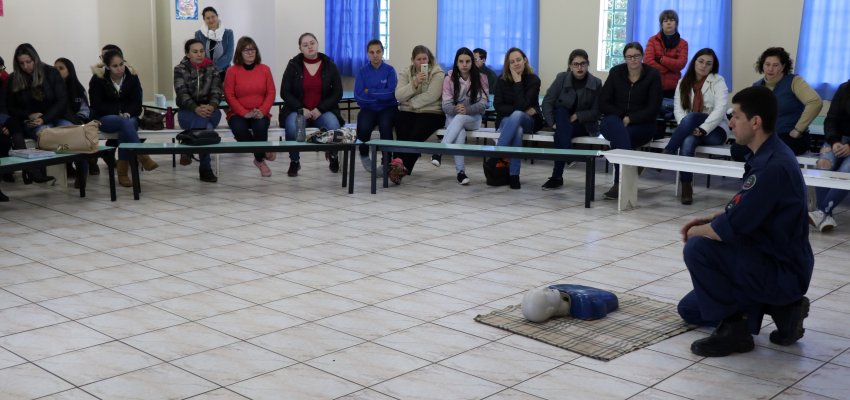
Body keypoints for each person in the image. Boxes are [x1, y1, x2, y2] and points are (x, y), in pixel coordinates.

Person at [677, 86, 813, 357]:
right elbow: (746, 211)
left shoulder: (772, 166)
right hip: (771, 260)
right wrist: (712, 218)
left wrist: (696, 231)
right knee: (690, 310)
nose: (730, 123)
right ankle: (784, 310)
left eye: (736, 117)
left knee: (698, 248)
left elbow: (729, 229)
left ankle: (735, 333)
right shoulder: (768, 154)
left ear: (755, 122)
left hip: (780, 270)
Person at [663, 48, 730, 204]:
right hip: (690, 129)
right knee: (687, 141)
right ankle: (687, 186)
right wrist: (686, 127)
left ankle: (669, 150)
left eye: (708, 63)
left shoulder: (718, 81)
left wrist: (703, 128)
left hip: (715, 130)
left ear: (713, 66)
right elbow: (678, 109)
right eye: (700, 61)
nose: (703, 66)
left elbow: (721, 109)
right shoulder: (683, 82)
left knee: (692, 116)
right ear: (694, 62)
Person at [732, 47, 822, 159]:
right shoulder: (757, 86)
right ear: (762, 65)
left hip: (790, 137)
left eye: (775, 65)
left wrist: (798, 130)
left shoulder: (794, 81)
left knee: (767, 151)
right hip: (764, 137)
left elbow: (815, 102)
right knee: (737, 150)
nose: (770, 69)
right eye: (767, 64)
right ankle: (753, 175)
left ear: (783, 67)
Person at [598, 42, 662, 199]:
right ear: (625, 58)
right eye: (629, 57)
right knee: (618, 129)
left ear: (642, 57)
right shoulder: (615, 72)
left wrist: (631, 118)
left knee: (620, 138)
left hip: (643, 125)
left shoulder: (653, 75)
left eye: (636, 56)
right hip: (614, 121)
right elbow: (603, 102)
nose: (633, 60)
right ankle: (626, 177)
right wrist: (622, 116)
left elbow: (653, 107)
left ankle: (619, 183)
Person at [280, 32, 344, 177]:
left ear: (317, 44)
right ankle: (295, 161)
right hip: (298, 111)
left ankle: (333, 156)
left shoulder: (329, 64)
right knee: (291, 126)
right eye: (305, 45)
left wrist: (320, 109)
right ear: (300, 48)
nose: (309, 47)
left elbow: (337, 92)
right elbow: (285, 91)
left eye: (312, 43)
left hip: (322, 111)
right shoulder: (293, 65)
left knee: (334, 125)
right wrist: (300, 108)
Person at [90, 49, 157, 188]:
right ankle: (141, 155)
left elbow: (137, 102)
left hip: (128, 117)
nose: (120, 68)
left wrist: (127, 112)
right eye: (115, 66)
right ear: (107, 67)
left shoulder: (132, 76)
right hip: (104, 118)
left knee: (126, 127)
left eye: (121, 64)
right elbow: (97, 105)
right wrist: (117, 112)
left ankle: (123, 174)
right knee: (126, 124)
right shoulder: (98, 79)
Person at [6, 43, 71, 184]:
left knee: (71, 131)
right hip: (33, 121)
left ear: (35, 59)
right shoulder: (14, 79)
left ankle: (79, 173)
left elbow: (62, 101)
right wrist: (28, 115)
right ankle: (46, 174)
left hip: (56, 115)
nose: (25, 66)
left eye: (28, 62)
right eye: (21, 63)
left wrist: (44, 118)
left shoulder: (51, 72)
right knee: (45, 133)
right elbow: (11, 107)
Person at [540, 48, 602, 190]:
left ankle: (557, 177)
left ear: (588, 64)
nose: (579, 67)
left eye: (583, 64)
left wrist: (578, 116)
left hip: (584, 125)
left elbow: (597, 112)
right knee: (561, 113)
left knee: (561, 134)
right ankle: (567, 156)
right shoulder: (561, 78)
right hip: (562, 122)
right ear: (570, 66)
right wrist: (552, 123)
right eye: (576, 64)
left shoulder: (596, 83)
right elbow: (548, 101)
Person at [431, 47, 488, 185]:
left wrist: (467, 109)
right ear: (456, 62)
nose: (464, 64)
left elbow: (484, 104)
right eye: (461, 61)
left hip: (473, 119)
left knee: (461, 118)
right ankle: (460, 173)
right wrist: (457, 108)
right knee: (460, 131)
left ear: (472, 63)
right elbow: (445, 106)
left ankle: (439, 152)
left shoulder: (481, 78)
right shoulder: (449, 78)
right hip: (453, 117)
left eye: (468, 61)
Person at [392, 45, 445, 185]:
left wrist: (411, 102)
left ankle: (399, 166)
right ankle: (398, 165)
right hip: (409, 112)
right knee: (401, 127)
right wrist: (414, 83)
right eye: (418, 59)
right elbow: (398, 95)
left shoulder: (437, 72)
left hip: (432, 112)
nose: (422, 62)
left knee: (415, 134)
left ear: (429, 59)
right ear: (412, 60)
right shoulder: (406, 72)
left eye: (424, 59)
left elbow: (432, 95)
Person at [223, 36, 276, 177]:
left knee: (260, 127)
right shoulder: (232, 71)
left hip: (259, 111)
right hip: (237, 113)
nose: (250, 52)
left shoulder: (265, 69)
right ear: (239, 53)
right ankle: (262, 151)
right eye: (246, 50)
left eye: (253, 49)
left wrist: (263, 110)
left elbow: (271, 92)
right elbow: (229, 95)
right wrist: (243, 112)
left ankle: (259, 160)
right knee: (239, 130)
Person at [493, 47, 543, 190]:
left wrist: (518, 82)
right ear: (508, 65)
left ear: (525, 60)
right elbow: (498, 106)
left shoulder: (534, 80)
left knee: (517, 116)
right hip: (505, 120)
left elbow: (521, 105)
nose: (516, 64)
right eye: (512, 61)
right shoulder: (501, 80)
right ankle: (514, 176)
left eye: (519, 60)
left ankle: (497, 153)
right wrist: (520, 109)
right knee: (518, 130)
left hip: (530, 121)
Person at [174, 38, 222, 183]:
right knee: (206, 128)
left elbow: (217, 92)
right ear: (188, 54)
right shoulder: (180, 69)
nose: (199, 54)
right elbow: (182, 94)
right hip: (187, 112)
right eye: (195, 52)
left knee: (205, 121)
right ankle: (205, 169)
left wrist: (211, 106)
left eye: (201, 51)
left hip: (210, 111)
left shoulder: (212, 68)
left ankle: (187, 148)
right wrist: (196, 108)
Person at [809, 80, 850, 232]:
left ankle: (821, 212)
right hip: (838, 140)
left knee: (846, 171)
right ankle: (826, 215)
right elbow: (831, 119)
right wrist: (834, 142)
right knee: (823, 164)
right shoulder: (845, 88)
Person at [353, 39, 397, 172]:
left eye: (378, 51)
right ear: (368, 54)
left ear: (383, 52)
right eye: (372, 52)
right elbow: (359, 96)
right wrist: (380, 96)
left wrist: (370, 91)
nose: (375, 55)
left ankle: (387, 161)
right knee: (363, 126)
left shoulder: (390, 71)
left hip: (388, 108)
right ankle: (364, 155)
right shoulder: (362, 72)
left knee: (385, 126)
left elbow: (391, 93)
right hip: (368, 109)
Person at [644, 9, 688, 121]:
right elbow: (648, 61)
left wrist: (662, 59)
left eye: (672, 20)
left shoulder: (683, 43)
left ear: (676, 23)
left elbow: (681, 64)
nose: (669, 23)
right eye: (665, 20)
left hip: (672, 87)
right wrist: (669, 68)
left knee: (669, 117)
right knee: (652, 116)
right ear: (661, 24)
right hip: (653, 85)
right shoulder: (653, 40)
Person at [54, 57, 92, 186]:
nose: (57, 71)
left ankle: (82, 169)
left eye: (61, 68)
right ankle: (70, 166)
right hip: (56, 121)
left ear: (69, 70)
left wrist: (79, 120)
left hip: (75, 122)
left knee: (74, 133)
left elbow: (85, 110)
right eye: (55, 69)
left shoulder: (78, 88)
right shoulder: (51, 87)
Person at [195, 6, 234, 77]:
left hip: (224, 72)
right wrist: (208, 69)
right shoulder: (199, 34)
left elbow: (229, 55)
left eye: (213, 16)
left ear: (217, 16)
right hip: (205, 72)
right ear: (204, 19)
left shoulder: (228, 33)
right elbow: (199, 54)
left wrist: (214, 68)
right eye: (208, 18)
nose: (211, 20)